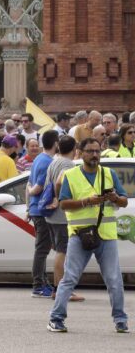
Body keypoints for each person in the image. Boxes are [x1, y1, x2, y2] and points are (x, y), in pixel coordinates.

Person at [48, 138, 129, 333]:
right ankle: (56, 318)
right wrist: (87, 202)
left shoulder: (108, 174)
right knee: (70, 278)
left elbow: (124, 201)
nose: (94, 155)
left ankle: (120, 320)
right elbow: (64, 203)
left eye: (97, 151)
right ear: (80, 152)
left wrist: (115, 198)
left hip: (106, 235)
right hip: (80, 234)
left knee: (114, 280)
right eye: (90, 151)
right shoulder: (71, 175)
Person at [44, 136, 85, 302]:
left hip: (53, 217)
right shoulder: (68, 164)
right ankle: (62, 290)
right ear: (74, 149)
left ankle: (57, 289)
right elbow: (59, 181)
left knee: (60, 252)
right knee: (63, 252)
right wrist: (59, 198)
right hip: (62, 216)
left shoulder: (54, 161)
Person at [27, 130, 60, 298]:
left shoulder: (39, 158)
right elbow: (38, 187)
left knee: (43, 248)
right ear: (55, 143)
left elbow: (30, 184)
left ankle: (42, 283)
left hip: (36, 208)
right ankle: (38, 285)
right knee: (42, 249)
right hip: (41, 210)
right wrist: (32, 192)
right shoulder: (47, 162)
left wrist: (30, 195)